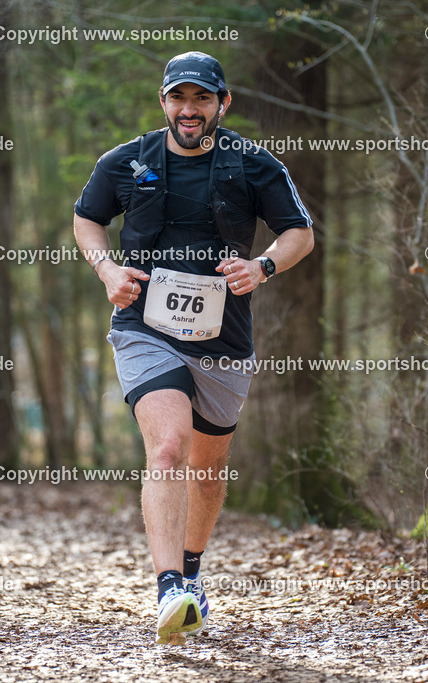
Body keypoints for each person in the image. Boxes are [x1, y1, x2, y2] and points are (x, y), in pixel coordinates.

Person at [73, 50, 314, 645]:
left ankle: (194, 572)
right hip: (144, 328)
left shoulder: (255, 166)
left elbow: (300, 233)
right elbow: (86, 220)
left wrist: (262, 266)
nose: (189, 109)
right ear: (163, 102)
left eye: (202, 99)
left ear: (222, 104)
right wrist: (108, 272)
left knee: (207, 472)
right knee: (169, 448)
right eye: (178, 98)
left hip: (224, 339)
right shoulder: (126, 161)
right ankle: (168, 588)